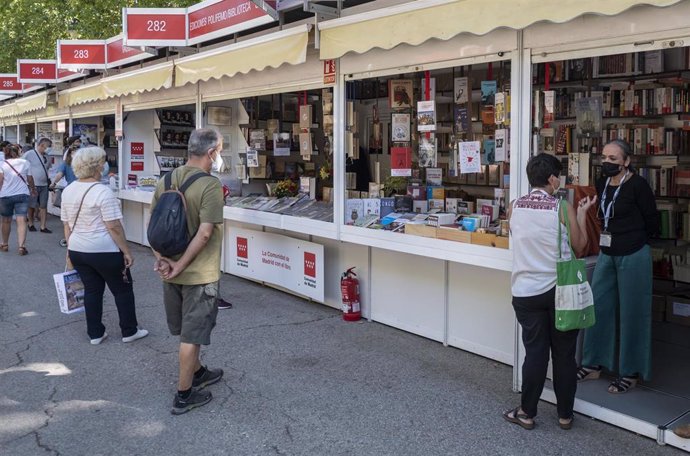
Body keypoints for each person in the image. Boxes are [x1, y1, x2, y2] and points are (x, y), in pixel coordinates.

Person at [504, 153, 596, 430]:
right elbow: (580, 247)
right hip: (559, 292)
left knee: (535, 353)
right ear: (553, 179)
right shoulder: (561, 207)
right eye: (559, 177)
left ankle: (526, 412)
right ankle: (565, 415)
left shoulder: (514, 206)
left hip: (525, 292)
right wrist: (580, 215)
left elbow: (518, 239)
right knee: (564, 355)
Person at [150, 128, 225, 415]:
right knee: (191, 335)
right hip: (198, 274)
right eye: (219, 149)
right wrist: (181, 265)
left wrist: (164, 261)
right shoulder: (210, 186)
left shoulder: (166, 179)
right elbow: (205, 233)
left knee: (184, 329)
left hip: (170, 272)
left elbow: (153, 226)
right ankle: (184, 394)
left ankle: (198, 372)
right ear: (211, 153)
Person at [577, 140, 658, 393]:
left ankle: (630, 371)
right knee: (598, 306)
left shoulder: (638, 185)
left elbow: (652, 222)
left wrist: (636, 242)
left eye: (613, 158)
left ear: (626, 161)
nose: (607, 162)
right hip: (607, 253)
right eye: (605, 157)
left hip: (633, 253)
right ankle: (593, 364)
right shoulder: (602, 183)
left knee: (634, 312)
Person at [61, 146, 148, 345]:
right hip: (104, 250)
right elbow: (114, 226)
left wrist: (69, 251)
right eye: (102, 161)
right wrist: (127, 251)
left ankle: (95, 334)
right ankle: (129, 330)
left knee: (92, 291)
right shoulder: (103, 191)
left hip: (78, 249)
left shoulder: (68, 190)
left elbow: (66, 225)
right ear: (98, 166)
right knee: (122, 290)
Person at [0, 144, 36, 255]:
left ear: (6, 153)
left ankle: (5, 244)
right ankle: (21, 247)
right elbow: (30, 178)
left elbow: (0, 181)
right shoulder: (25, 163)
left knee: (6, 220)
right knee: (22, 220)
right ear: (18, 152)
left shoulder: (2, 164)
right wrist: (33, 189)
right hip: (22, 194)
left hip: (5, 195)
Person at [23, 138, 53, 233]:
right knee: (31, 205)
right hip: (33, 184)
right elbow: (22, 166)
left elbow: (49, 169)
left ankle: (43, 226)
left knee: (43, 206)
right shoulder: (29, 154)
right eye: (48, 147)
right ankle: (30, 223)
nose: (49, 149)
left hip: (44, 185)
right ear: (42, 145)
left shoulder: (47, 156)